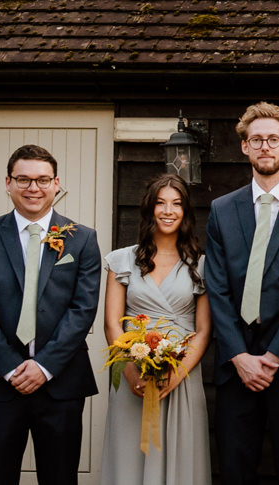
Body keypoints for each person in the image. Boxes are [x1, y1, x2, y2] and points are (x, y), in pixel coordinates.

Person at [0, 143, 103, 485]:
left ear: (56, 183)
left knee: (60, 477)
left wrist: (44, 366)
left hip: (61, 381)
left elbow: (83, 309)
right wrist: (11, 367)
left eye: (42, 180)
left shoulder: (82, 239)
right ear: (7, 182)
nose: (33, 188)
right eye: (23, 179)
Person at [204, 103, 279, 485]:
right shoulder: (222, 209)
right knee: (235, 465)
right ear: (244, 147)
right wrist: (239, 354)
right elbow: (217, 287)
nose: (265, 147)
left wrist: (274, 355)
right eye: (256, 140)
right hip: (235, 363)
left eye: (274, 139)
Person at [101, 172, 212, 485]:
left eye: (176, 204)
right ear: (149, 208)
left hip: (182, 374)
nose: (168, 210)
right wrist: (129, 371)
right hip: (131, 372)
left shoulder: (201, 265)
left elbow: (203, 330)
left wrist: (176, 375)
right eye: (161, 203)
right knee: (129, 457)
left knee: (181, 457)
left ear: (185, 212)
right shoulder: (120, 260)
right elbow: (112, 322)